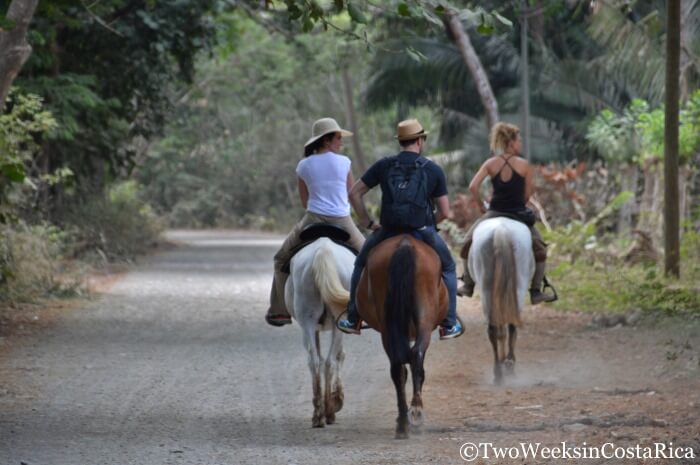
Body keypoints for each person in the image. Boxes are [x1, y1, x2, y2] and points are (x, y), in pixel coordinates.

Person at [336, 119, 463, 340]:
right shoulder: (433, 169)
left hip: (388, 230)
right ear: (420, 141)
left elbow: (354, 193)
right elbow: (445, 212)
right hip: (422, 230)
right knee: (449, 267)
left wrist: (367, 222)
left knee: (361, 263)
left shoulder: (383, 165)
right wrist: (429, 222)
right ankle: (449, 322)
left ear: (401, 141)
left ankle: (353, 316)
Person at [265, 117, 365, 327]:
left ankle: (279, 310)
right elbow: (350, 194)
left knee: (280, 259)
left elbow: (304, 201)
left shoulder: (303, 165)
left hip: (312, 218)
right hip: (342, 221)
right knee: (370, 257)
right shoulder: (345, 162)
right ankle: (368, 307)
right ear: (327, 140)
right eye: (338, 138)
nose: (341, 142)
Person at [458, 122, 554, 304]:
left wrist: (481, 207)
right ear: (511, 143)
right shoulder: (525, 165)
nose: (521, 144)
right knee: (540, 248)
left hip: (494, 213)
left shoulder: (491, 163)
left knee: (467, 243)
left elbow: (473, 186)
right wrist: (519, 204)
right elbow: (527, 194)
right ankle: (535, 291)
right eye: (519, 141)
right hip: (518, 213)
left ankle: (468, 284)